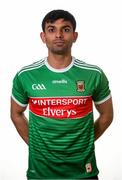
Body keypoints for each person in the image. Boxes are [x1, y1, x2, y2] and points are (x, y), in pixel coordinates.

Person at [11, 9, 113, 180]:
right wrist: (36, 145)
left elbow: (107, 115)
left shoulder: (94, 74)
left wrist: (84, 143)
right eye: (51, 29)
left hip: (83, 172)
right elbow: (16, 113)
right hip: (41, 173)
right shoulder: (25, 75)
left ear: (75, 36)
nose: (58, 35)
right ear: (43, 37)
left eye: (65, 29)